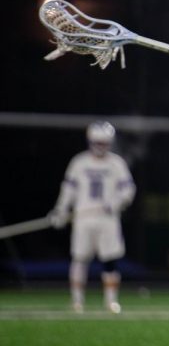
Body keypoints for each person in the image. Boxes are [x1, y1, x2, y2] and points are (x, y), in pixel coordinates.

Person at [49, 121, 136, 313]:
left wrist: (116, 203)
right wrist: (61, 210)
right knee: (79, 258)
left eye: (104, 143)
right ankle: (77, 301)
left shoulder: (116, 164)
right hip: (83, 218)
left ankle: (111, 301)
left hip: (108, 219)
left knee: (110, 260)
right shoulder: (79, 162)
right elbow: (68, 189)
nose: (100, 147)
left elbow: (128, 189)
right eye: (97, 142)